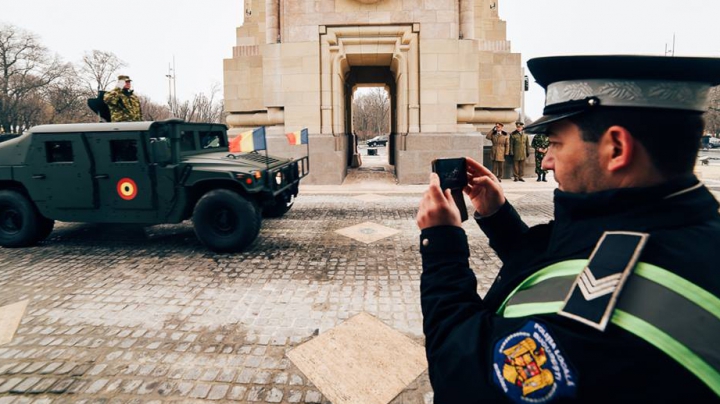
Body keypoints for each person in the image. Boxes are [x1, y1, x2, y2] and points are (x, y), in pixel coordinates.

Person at [416, 55, 720, 403]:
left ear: (616, 148)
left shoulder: (601, 317)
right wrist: (498, 216)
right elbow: (563, 261)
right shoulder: (665, 221)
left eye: (556, 143)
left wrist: (442, 246)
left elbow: (461, 371)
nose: (545, 160)